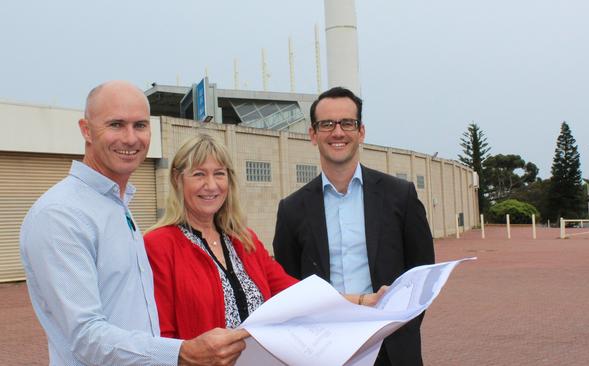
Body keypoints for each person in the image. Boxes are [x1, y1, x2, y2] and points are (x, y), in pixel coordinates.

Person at [20, 80, 248, 366]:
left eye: (140, 125)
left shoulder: (116, 207)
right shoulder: (61, 214)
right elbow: (85, 336)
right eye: (116, 124)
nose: (130, 138)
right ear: (86, 130)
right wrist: (181, 352)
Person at [144, 133, 385, 340]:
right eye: (198, 174)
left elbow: (297, 295)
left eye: (219, 173)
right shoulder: (159, 245)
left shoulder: (243, 240)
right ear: (178, 179)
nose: (211, 185)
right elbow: (161, 336)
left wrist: (362, 300)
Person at [272, 86, 435, 365]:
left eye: (347, 123)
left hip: (391, 350)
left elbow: (422, 273)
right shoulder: (292, 210)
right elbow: (289, 289)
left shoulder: (400, 196)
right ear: (313, 134)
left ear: (361, 132)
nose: (338, 132)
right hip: (323, 352)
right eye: (327, 124)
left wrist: (400, 329)